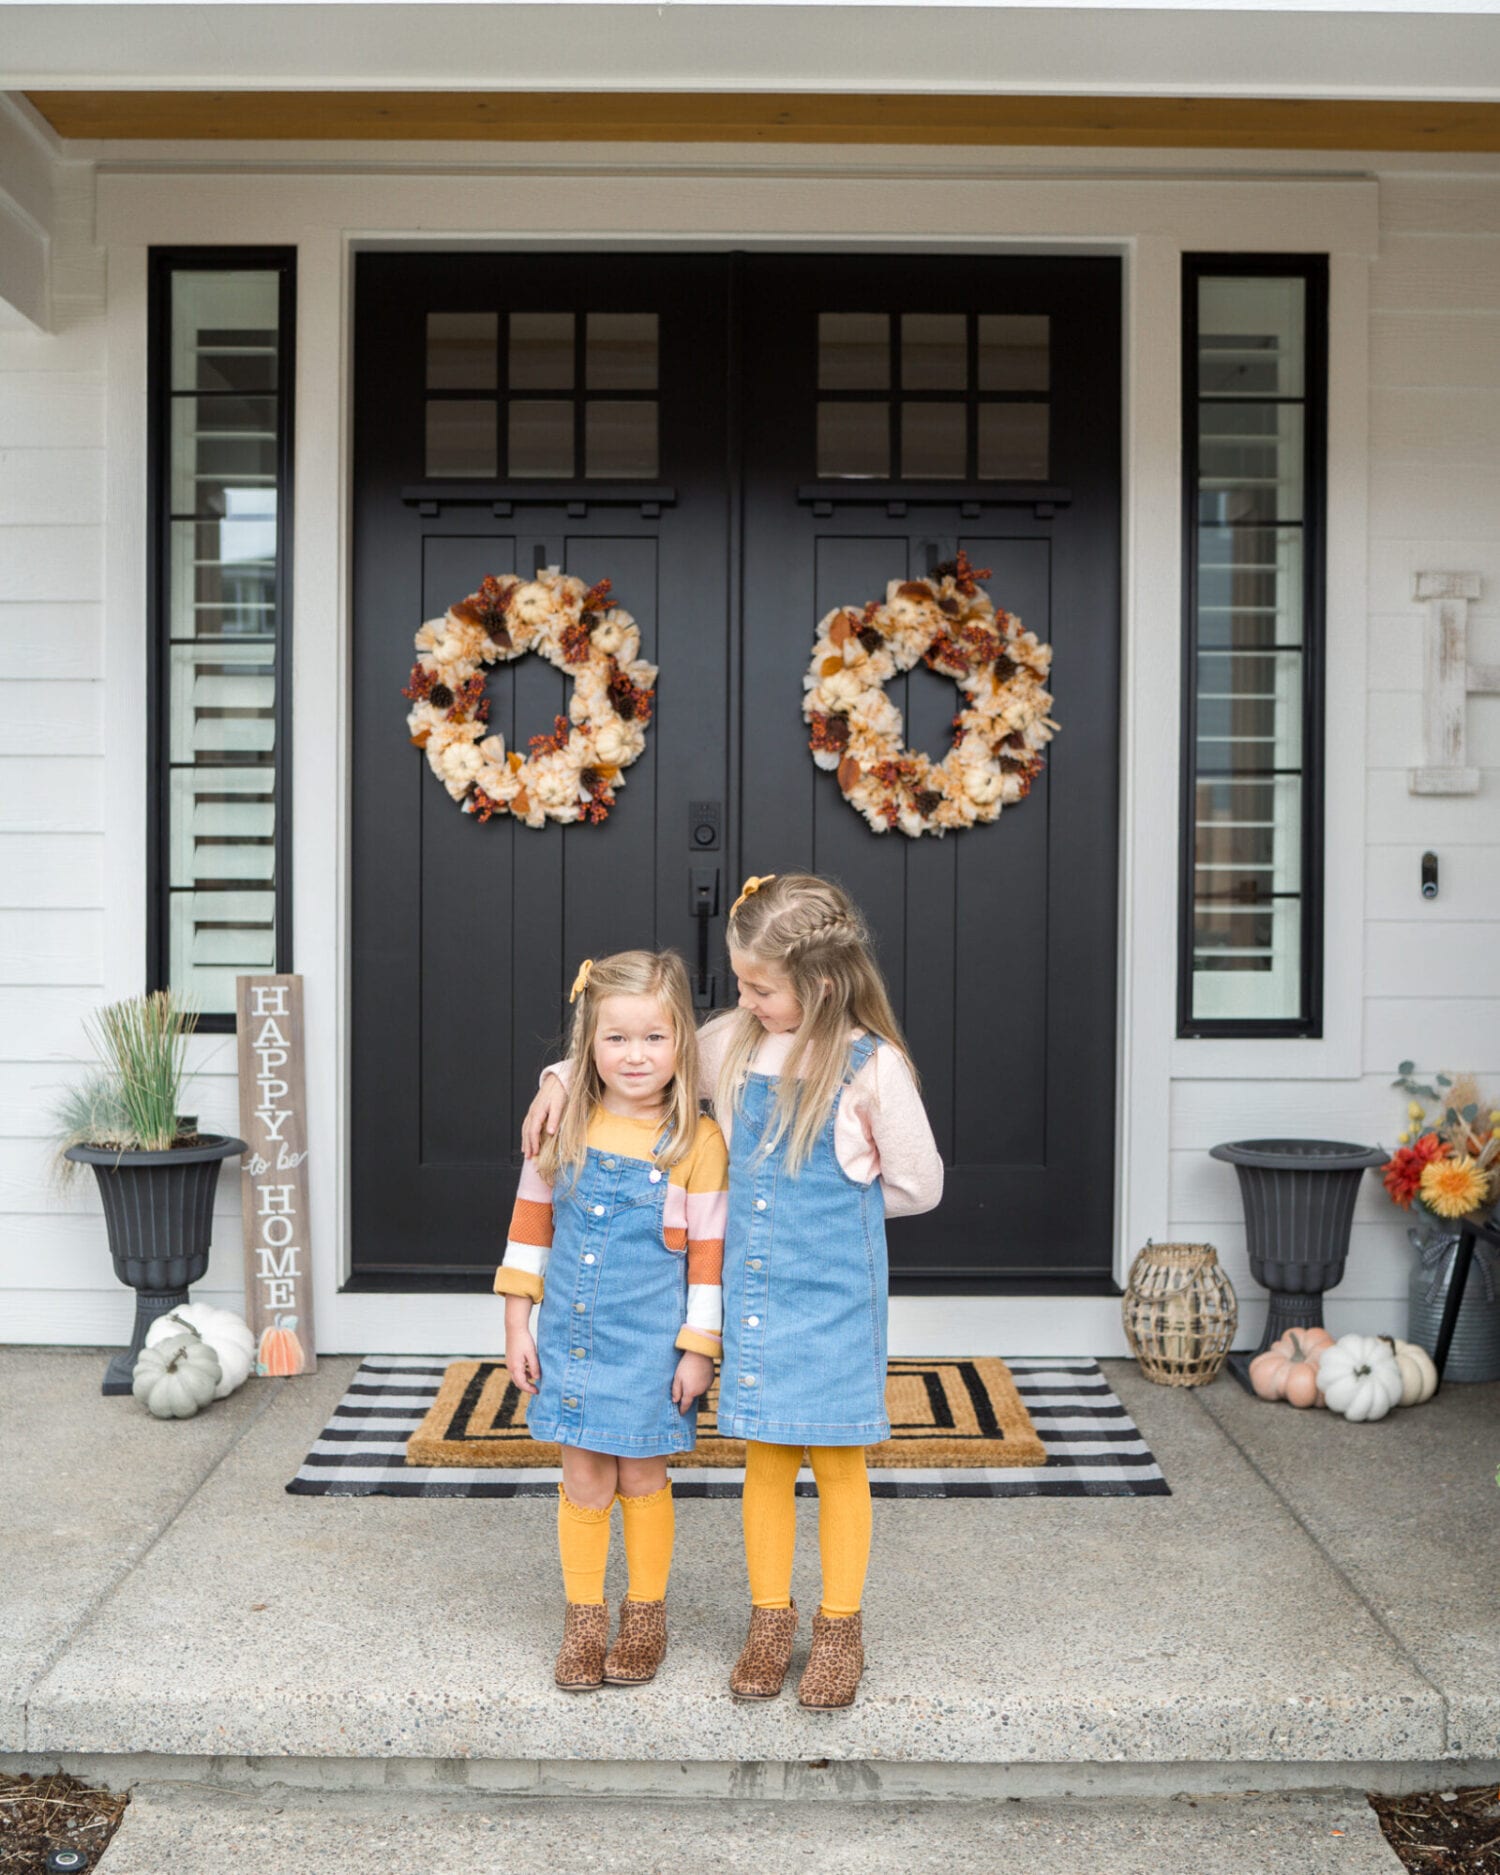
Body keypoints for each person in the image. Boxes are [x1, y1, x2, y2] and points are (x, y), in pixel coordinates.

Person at [523, 874, 943, 1708]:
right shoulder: (738, 1042)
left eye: (759, 985)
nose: (743, 997)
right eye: (742, 982)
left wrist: (839, 1211)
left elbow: (921, 1183)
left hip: (832, 1300)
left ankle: (839, 1628)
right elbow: (643, 1050)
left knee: (838, 1461)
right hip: (754, 1295)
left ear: (819, 984)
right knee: (766, 1456)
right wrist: (559, 1078)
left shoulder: (871, 1066)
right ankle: (769, 1620)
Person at [496, 949, 727, 1693]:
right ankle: (584, 1616)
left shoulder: (697, 1142)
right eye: (616, 1038)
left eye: (654, 1038)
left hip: (650, 1346)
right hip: (572, 1334)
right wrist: (516, 1323)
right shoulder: (565, 1126)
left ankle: (646, 1613)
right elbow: (529, 1230)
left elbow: (707, 1262)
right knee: (583, 1475)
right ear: (587, 1044)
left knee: (642, 1476)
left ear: (682, 1041)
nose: (635, 1055)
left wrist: (698, 1348)